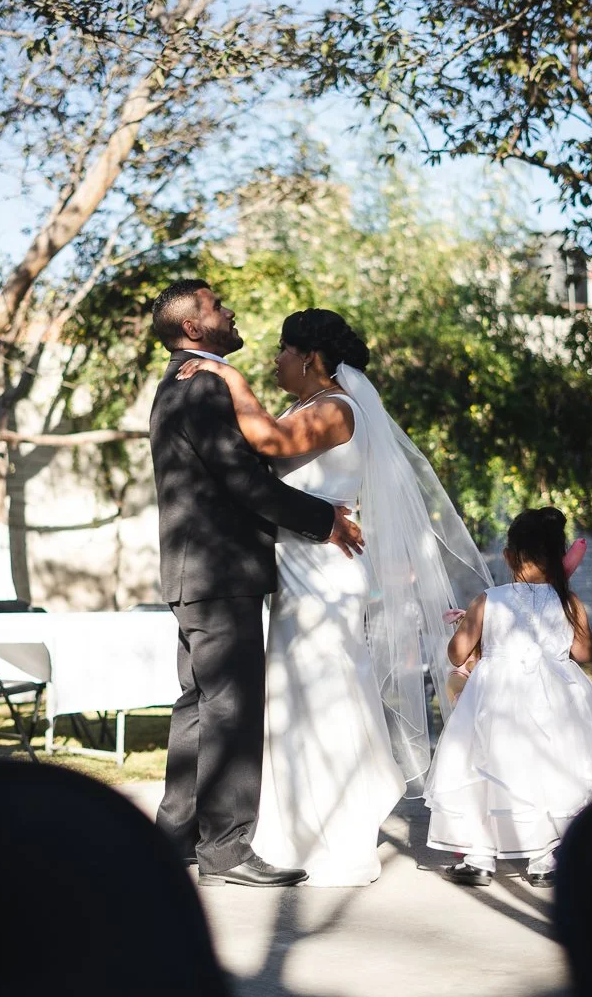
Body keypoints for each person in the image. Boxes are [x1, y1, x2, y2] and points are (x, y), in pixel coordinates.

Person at [176, 307, 491, 886]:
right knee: (295, 699)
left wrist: (226, 376)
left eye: (281, 350)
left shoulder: (336, 409)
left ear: (311, 359)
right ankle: (287, 829)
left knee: (322, 696)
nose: (273, 360)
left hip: (323, 574)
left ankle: (333, 836)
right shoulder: (307, 406)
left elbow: (266, 440)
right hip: (299, 572)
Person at [149, 281, 365, 888]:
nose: (230, 310)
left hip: (196, 572)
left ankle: (175, 838)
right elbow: (244, 480)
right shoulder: (206, 383)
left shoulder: (181, 381)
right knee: (229, 710)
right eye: (216, 307)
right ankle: (226, 849)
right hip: (222, 571)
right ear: (194, 327)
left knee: (197, 707)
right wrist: (325, 521)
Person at [424, 507, 592, 888]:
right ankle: (543, 859)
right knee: (551, 770)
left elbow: (457, 654)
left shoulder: (489, 600)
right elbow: (585, 653)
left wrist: (470, 632)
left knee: (487, 769)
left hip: (496, 702)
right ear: (559, 558)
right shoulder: (569, 601)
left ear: (509, 555)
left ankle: (479, 857)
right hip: (558, 702)